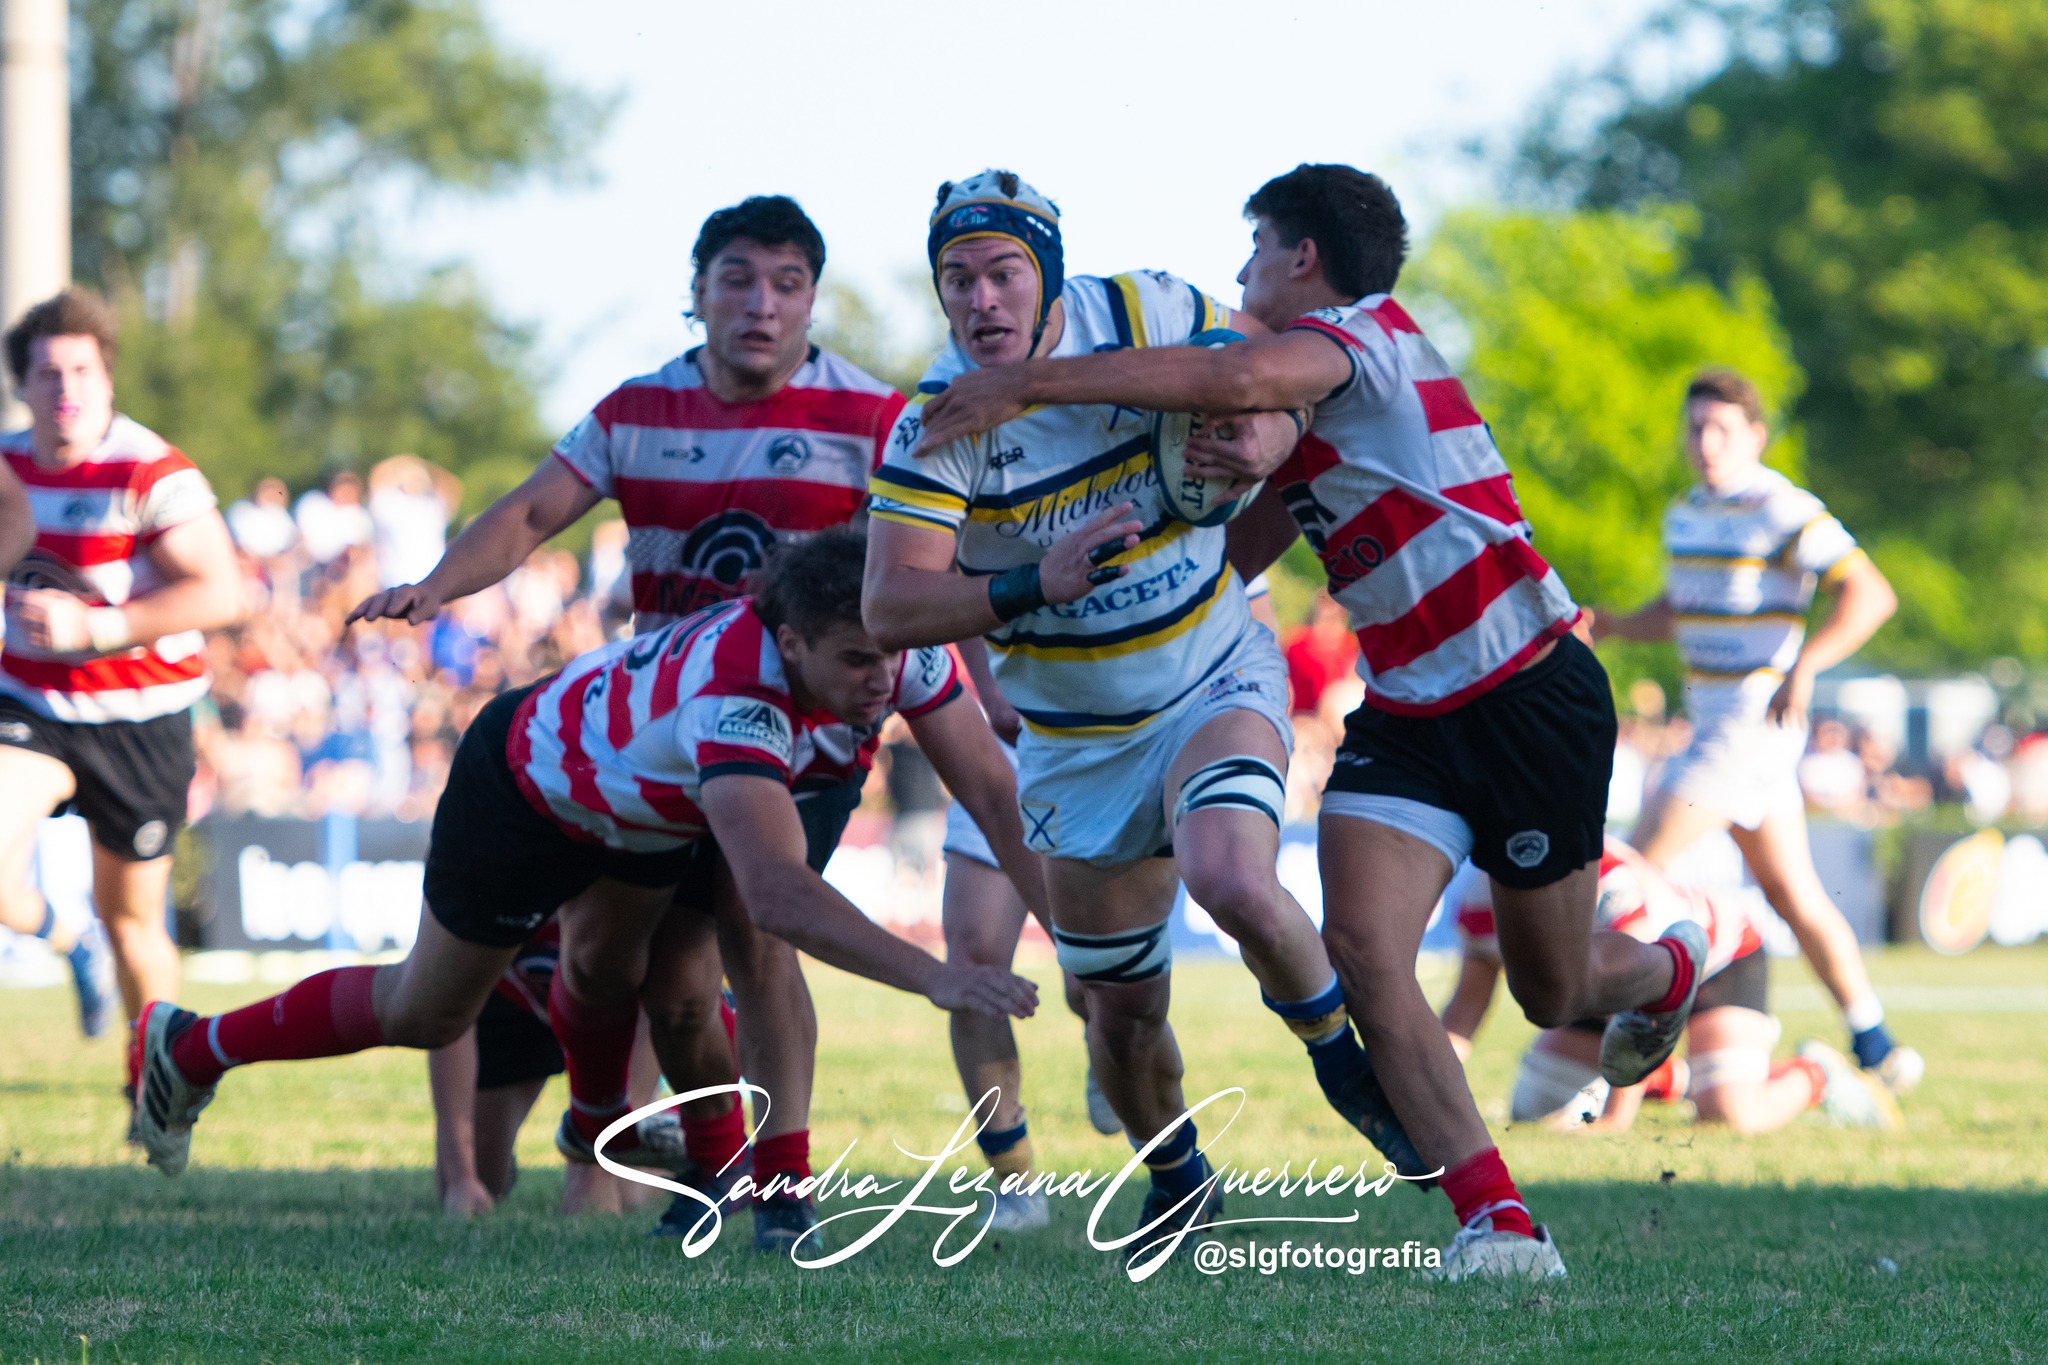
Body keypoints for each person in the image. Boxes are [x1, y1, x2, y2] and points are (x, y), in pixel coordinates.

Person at [913, 163, 1710, 1280]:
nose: (1237, 278)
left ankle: (1667, 969)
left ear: (1299, 260)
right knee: (1363, 954)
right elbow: (1240, 515)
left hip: (1528, 688)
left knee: (1552, 990)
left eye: (1251, 255)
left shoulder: (1363, 337)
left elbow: (1236, 374)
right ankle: (1495, 1221)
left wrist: (1027, 386)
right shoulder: (1298, 396)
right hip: (1405, 718)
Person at [133, 529, 1043, 1198]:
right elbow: (778, 894)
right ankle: (192, 1044)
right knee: (425, 1007)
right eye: (855, 661)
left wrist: (1078, 938)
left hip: (641, 805)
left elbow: (996, 797)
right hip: (529, 785)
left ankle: (713, 1173)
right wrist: (936, 976)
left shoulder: (890, 650)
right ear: (793, 643)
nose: (881, 681)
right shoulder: (737, 696)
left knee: (641, 973)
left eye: (887, 655)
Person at [865, 169, 1421, 1256]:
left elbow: (1297, 368)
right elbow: (889, 606)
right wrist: (1032, 584)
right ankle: (1176, 1176)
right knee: (1116, 1014)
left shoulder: (1151, 312)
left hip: (1211, 673)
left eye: (1002, 272)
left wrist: (1270, 438)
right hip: (1075, 743)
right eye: (955, 280)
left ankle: (1347, 1070)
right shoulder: (944, 418)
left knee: (1227, 873)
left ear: (1049, 274)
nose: (979, 301)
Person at [349, 196, 908, 1243]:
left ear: (812, 302)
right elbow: (524, 515)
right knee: (665, 982)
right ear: (694, 293)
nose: (760, 304)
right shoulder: (633, 411)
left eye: (787, 285)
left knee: (756, 928)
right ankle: (706, 1166)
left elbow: (927, 562)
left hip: (807, 739)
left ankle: (779, 1192)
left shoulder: (874, 419)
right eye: (736, 279)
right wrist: (435, 587)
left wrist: (982, 680)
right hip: (665, 733)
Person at [1588, 368, 1921, 1094]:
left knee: (1630, 877)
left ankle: (1607, 1070)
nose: (1706, 442)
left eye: (1722, 429)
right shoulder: (1685, 513)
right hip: (1722, 731)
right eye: (1696, 427)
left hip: (1749, 728)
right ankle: (1874, 1044)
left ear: (1755, 437)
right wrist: (1615, 624)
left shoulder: (1782, 506)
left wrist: (1809, 662)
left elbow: (1871, 593)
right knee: (1793, 892)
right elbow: (1683, 607)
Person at [0, 288, 243, 1081]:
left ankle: (151, 1084)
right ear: (23, 387)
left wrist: (94, 628)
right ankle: (66, 939)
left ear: (108, 380)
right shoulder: (6, 470)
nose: (66, 389)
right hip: (30, 705)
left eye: (82, 370)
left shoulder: (152, 470)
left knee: (134, 921)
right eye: (47, 373)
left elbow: (223, 593)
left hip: (143, 716)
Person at [1448, 839, 1901, 1134]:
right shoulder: (1480, 894)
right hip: (1601, 990)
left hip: (1715, 961)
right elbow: (1466, 1009)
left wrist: (1614, 1119)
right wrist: (1419, 1089)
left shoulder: (1610, 885)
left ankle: (1815, 1073)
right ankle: (1675, 1078)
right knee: (1535, 1107)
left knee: (1728, 1114)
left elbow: (1642, 1001)